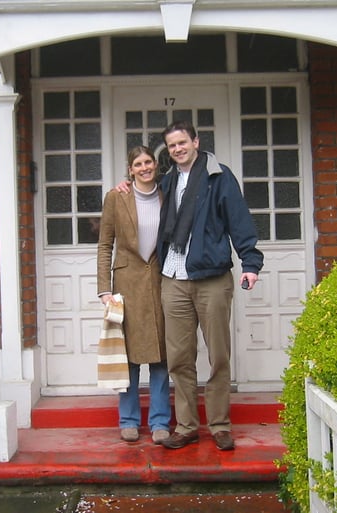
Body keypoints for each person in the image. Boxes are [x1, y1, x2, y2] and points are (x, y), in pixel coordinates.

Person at [117, 120, 263, 451]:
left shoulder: (218, 176)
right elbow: (141, 194)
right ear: (167, 151)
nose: (178, 149)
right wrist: (123, 186)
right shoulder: (166, 181)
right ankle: (186, 425)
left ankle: (220, 424)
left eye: (182, 142)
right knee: (179, 359)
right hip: (173, 280)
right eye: (171, 146)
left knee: (218, 356)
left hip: (211, 278)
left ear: (195, 141)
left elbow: (239, 220)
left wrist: (250, 263)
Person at [97, 146, 171, 444]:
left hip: (160, 280)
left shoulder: (167, 192)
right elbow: (105, 244)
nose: (144, 168)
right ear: (130, 169)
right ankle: (128, 420)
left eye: (148, 162)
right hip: (125, 283)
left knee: (160, 357)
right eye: (138, 164)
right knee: (126, 355)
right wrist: (104, 289)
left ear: (156, 165)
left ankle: (159, 422)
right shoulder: (116, 197)